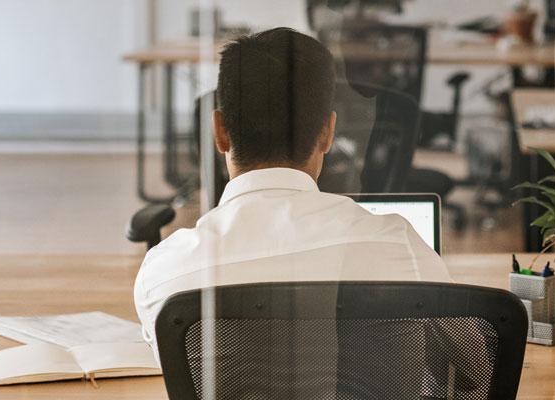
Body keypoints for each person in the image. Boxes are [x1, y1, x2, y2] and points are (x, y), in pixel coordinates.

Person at [132, 28, 452, 346]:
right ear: (327, 133)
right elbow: (474, 368)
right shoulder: (397, 246)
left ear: (219, 132)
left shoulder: (166, 272)